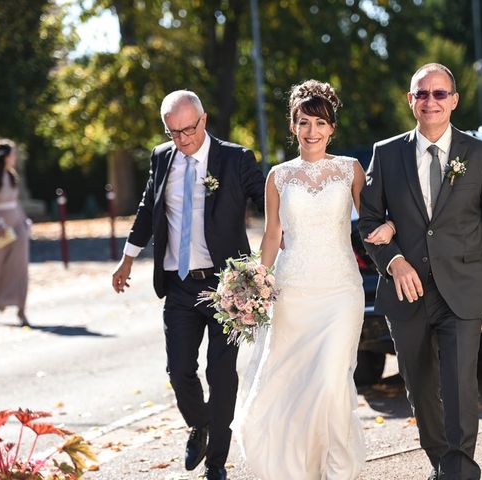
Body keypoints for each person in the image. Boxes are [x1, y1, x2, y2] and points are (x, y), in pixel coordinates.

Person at [358, 63, 482, 480]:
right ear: (410, 100)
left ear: (453, 100)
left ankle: (458, 472)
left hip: (464, 286)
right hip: (407, 291)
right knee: (419, 389)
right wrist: (394, 261)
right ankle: (443, 463)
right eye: (422, 94)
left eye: (439, 94)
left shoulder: (480, 154)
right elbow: (367, 221)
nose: (430, 101)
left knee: (458, 386)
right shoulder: (387, 153)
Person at [232, 80, 395, 479]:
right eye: (304, 123)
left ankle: (337, 471)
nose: (312, 132)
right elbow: (272, 237)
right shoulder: (278, 177)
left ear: (332, 128)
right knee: (288, 386)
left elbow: (371, 217)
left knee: (328, 384)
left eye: (320, 123)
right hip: (291, 294)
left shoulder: (350, 170)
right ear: (293, 126)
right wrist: (253, 285)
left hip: (340, 292)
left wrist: (389, 226)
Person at [111, 90, 265, 480]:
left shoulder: (236, 158)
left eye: (188, 130)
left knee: (221, 373)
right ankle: (200, 424)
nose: (182, 140)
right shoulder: (162, 158)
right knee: (179, 371)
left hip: (228, 286)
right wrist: (127, 258)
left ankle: (216, 463)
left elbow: (269, 202)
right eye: (173, 132)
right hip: (178, 284)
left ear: (204, 120)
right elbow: (148, 209)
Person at [0, 139, 30, 327]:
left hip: (18, 228)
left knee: (20, 267)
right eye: (12, 153)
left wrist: (25, 220)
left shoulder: (13, 176)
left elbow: (16, 203)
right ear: (5, 157)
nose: (15, 157)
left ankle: (21, 310)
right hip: (0, 230)